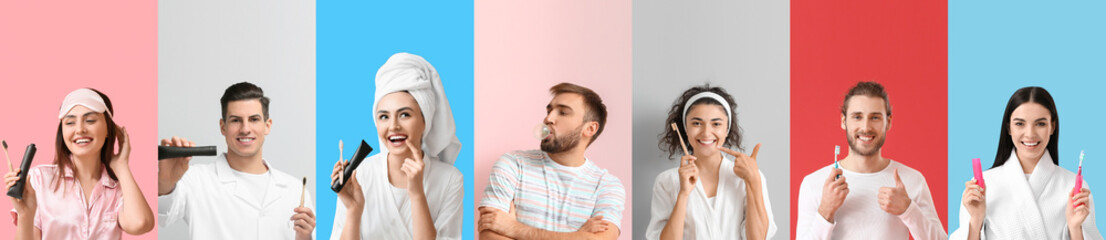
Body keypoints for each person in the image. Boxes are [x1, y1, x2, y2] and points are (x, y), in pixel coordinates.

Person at [330, 53, 464, 240]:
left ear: (425, 120)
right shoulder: (359, 175)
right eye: (384, 116)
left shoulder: (449, 180)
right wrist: (353, 210)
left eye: (405, 115)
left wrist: (417, 193)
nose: (393, 126)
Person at [158, 82, 315, 239]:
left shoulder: (295, 190)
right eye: (235, 120)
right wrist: (164, 183)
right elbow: (162, 215)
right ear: (223, 127)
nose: (245, 129)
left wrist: (305, 237)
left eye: (254, 119)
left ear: (267, 126)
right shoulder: (196, 180)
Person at [796, 81, 946, 239]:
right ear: (843, 121)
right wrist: (826, 210)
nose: (866, 127)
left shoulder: (912, 180)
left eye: (875, 117)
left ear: (888, 122)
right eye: (857, 117)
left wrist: (908, 210)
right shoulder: (813, 183)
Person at [950, 86, 1103, 240]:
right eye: (1020, 124)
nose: (1030, 134)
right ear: (1009, 127)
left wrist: (1075, 229)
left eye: (1040, 124)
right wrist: (976, 220)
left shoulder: (1074, 188)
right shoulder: (983, 186)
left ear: (1052, 126)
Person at [477, 82, 625, 239]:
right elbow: (489, 236)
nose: (548, 118)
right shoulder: (513, 164)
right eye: (549, 111)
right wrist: (577, 236)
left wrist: (515, 229)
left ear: (589, 129)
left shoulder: (607, 185)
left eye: (562, 112)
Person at [5, 88, 155, 239]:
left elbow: (140, 224)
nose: (80, 130)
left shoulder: (118, 188)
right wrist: (25, 214)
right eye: (70, 122)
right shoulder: (39, 179)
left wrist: (122, 166)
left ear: (109, 129)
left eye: (90, 120)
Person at [644, 84, 775, 240]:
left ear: (727, 129)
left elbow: (757, 238)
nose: (706, 133)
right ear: (685, 128)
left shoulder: (749, 176)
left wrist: (753, 181)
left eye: (716, 124)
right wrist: (683, 194)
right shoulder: (666, 181)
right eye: (697, 123)